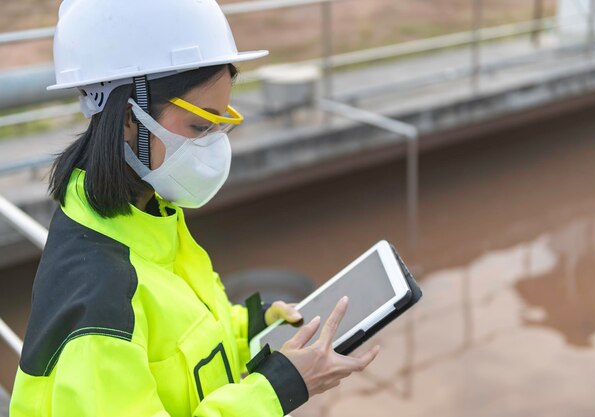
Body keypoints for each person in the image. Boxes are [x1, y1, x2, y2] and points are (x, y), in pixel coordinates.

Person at [9, 0, 380, 416]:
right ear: (128, 117)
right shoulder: (99, 300)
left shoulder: (151, 217)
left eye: (220, 125)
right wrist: (277, 390)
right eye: (200, 126)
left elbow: (184, 343)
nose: (214, 145)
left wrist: (252, 330)